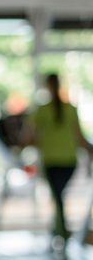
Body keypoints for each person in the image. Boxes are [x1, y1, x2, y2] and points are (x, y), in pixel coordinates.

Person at [26, 73, 93, 247]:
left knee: (57, 197)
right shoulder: (66, 109)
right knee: (58, 197)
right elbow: (80, 138)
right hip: (68, 160)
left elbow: (29, 137)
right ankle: (58, 231)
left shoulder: (41, 110)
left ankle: (61, 234)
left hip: (53, 160)